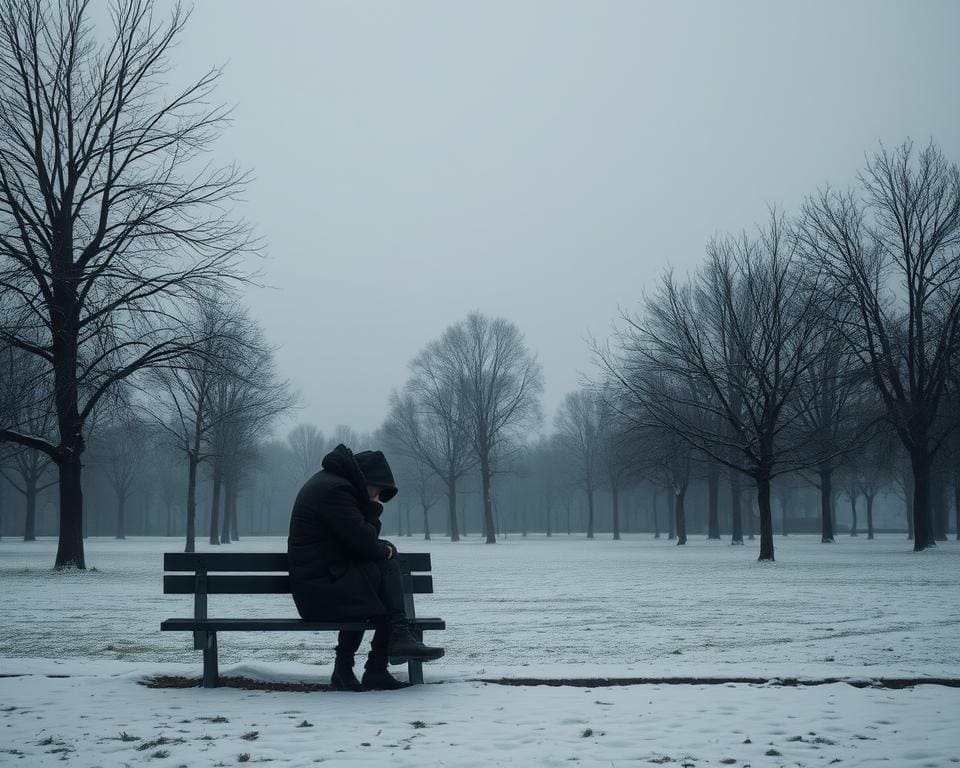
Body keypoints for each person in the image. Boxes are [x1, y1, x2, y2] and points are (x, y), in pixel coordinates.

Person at [287, 443, 443, 691]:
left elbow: (355, 543)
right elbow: (365, 543)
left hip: (322, 582)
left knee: (379, 591)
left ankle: (353, 670)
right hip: (320, 589)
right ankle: (384, 655)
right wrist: (372, 510)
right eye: (377, 492)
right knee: (386, 567)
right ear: (367, 481)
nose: (377, 498)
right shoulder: (335, 491)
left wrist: (381, 547)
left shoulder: (330, 484)